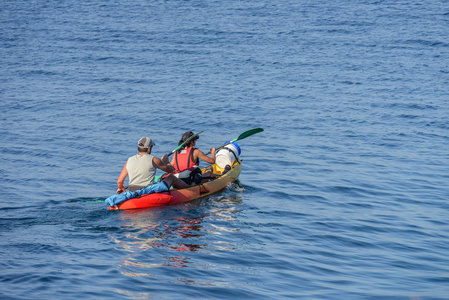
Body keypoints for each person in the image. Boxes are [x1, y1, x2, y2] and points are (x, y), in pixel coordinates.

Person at [116, 137, 190, 194]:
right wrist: (166, 162)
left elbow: (119, 181)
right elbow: (171, 170)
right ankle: (189, 190)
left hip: (132, 189)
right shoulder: (154, 159)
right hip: (147, 190)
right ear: (149, 148)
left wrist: (121, 187)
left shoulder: (129, 160)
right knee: (171, 177)